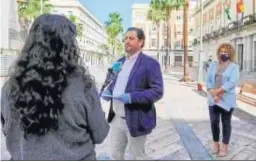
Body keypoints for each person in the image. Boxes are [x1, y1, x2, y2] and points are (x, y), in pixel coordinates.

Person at [1, 14, 109, 160]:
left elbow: (7, 131)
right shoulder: (82, 86)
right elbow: (100, 134)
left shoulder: (10, 88)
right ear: (69, 47)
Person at [101, 27, 164, 160]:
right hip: (116, 118)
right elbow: (113, 83)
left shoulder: (150, 64)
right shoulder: (119, 62)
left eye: (131, 38)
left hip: (136, 119)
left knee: (137, 157)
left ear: (141, 42)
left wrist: (131, 97)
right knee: (114, 155)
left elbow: (157, 91)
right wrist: (108, 91)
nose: (127, 41)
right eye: (125, 38)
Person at [206, 43, 239, 157]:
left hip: (226, 100)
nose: (223, 54)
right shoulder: (213, 65)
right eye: (221, 51)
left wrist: (219, 92)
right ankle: (216, 143)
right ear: (218, 53)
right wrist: (212, 92)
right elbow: (208, 80)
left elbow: (232, 82)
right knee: (214, 122)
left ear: (230, 54)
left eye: (226, 52)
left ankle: (224, 146)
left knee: (226, 123)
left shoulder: (234, 67)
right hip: (213, 99)